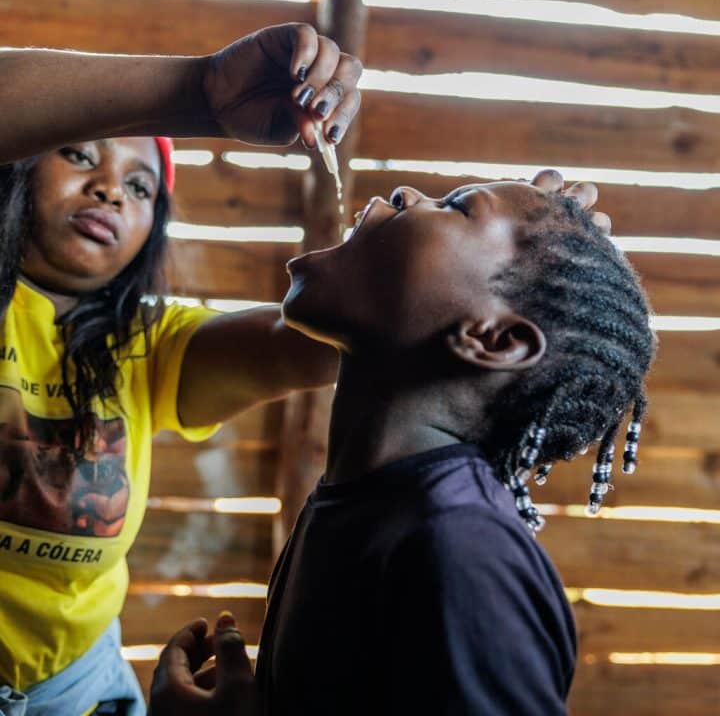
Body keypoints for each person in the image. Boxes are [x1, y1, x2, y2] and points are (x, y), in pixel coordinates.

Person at [148, 170, 655, 715]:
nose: (405, 195)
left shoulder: (463, 550)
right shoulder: (366, 502)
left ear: (494, 338)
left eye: (458, 207)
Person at [0, 23, 363, 716]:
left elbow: (317, 341)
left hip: (76, 688)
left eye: (140, 188)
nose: (110, 191)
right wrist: (200, 90)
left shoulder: (149, 342)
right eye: (79, 154)